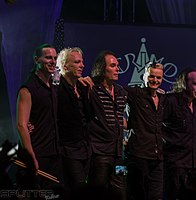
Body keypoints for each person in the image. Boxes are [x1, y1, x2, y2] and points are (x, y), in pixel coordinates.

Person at [16, 43, 63, 193]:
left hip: (54, 153)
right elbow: (22, 125)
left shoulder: (54, 86)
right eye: (48, 57)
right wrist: (31, 158)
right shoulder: (28, 88)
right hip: (37, 153)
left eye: (55, 58)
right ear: (37, 60)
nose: (53, 61)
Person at [162, 68, 196, 200]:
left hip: (195, 165)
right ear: (184, 84)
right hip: (175, 164)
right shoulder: (171, 101)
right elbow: (157, 127)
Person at [87, 50, 127, 200]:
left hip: (119, 155)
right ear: (102, 68)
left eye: (117, 65)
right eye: (113, 65)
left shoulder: (121, 91)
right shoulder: (92, 89)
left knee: (120, 191)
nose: (117, 69)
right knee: (98, 193)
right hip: (100, 154)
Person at [125, 61, 165, 200]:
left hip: (157, 156)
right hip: (138, 155)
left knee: (157, 196)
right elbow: (111, 90)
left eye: (158, 78)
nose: (155, 80)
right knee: (137, 195)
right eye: (151, 76)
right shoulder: (135, 93)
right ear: (144, 76)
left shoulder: (162, 98)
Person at [56, 47, 92, 195]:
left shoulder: (82, 87)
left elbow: (89, 116)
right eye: (77, 62)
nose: (82, 65)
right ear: (65, 66)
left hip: (84, 148)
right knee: (78, 189)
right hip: (68, 148)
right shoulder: (57, 88)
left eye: (82, 62)